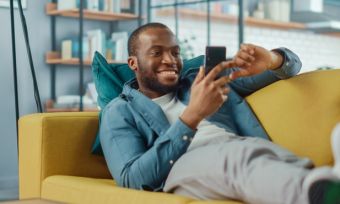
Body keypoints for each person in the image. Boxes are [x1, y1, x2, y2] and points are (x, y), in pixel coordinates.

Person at [99, 22, 340, 204]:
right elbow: (131, 179)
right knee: (233, 158)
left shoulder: (203, 79)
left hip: (244, 147)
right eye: (157, 53)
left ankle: (326, 184)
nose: (170, 60)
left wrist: (271, 60)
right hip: (182, 168)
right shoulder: (119, 112)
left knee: (274, 160)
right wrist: (190, 118)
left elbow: (291, 68)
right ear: (133, 63)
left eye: (175, 52)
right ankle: (313, 195)